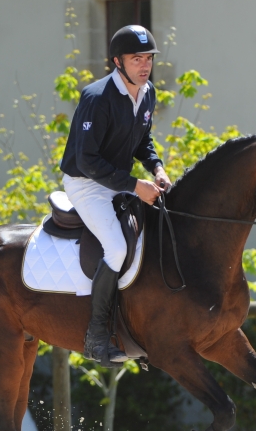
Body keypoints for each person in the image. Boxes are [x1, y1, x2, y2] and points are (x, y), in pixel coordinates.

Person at [58, 24, 171, 365]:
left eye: (148, 58)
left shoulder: (147, 93)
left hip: (119, 181)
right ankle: (95, 337)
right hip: (85, 183)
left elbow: (143, 141)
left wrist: (157, 168)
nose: (145, 65)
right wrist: (136, 185)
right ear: (117, 62)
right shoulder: (96, 98)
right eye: (137, 59)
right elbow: (87, 161)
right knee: (118, 248)